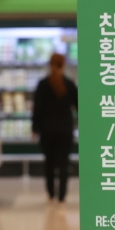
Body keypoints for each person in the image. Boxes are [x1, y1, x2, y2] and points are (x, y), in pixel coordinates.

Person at [33, 53, 78, 205]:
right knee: (64, 164)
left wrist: (35, 128)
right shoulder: (70, 84)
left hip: (47, 131)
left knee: (49, 163)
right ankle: (62, 196)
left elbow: (37, 109)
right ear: (63, 64)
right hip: (65, 130)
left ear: (50, 64)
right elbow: (79, 107)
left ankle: (51, 193)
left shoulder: (42, 84)